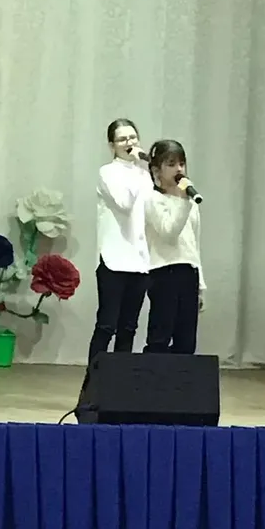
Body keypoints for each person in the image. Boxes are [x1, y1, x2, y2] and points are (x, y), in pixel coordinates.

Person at [86, 118, 152, 363]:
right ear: (112, 145)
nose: (129, 142)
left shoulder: (145, 174)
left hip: (140, 260)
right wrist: (138, 170)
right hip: (114, 259)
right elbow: (124, 203)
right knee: (107, 325)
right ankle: (94, 380)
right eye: (122, 139)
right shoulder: (107, 172)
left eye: (132, 137)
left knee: (129, 327)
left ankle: (120, 381)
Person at [143, 139, 205, 354]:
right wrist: (183, 201)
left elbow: (194, 244)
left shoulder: (189, 203)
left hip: (188, 272)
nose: (179, 169)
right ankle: (152, 374)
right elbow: (168, 233)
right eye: (171, 164)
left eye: (181, 163)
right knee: (160, 337)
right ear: (156, 170)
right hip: (164, 273)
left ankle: (182, 377)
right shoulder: (152, 199)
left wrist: (200, 285)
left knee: (186, 341)